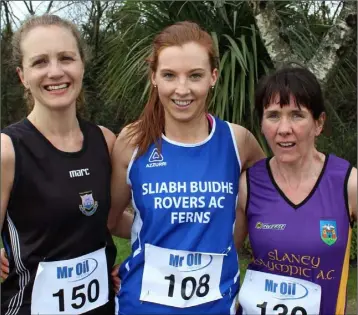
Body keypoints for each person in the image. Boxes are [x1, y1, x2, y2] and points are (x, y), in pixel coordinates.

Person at [107, 21, 265, 314]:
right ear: (154, 77)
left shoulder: (238, 141)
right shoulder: (132, 141)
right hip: (142, 305)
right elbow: (111, 219)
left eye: (195, 75)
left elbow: (268, 196)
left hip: (216, 305)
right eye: (169, 75)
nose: (182, 89)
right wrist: (156, 236)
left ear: (213, 76)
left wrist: (229, 237)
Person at [0, 14, 119, 314]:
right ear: (22, 76)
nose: (55, 71)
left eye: (66, 58)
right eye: (40, 62)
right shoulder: (7, 150)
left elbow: (112, 218)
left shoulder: (105, 141)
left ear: (81, 65)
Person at [236, 66, 357, 315]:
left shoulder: (348, 184)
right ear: (261, 124)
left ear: (318, 123)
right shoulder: (248, 185)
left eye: (296, 115)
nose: (283, 129)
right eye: (273, 115)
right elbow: (222, 253)